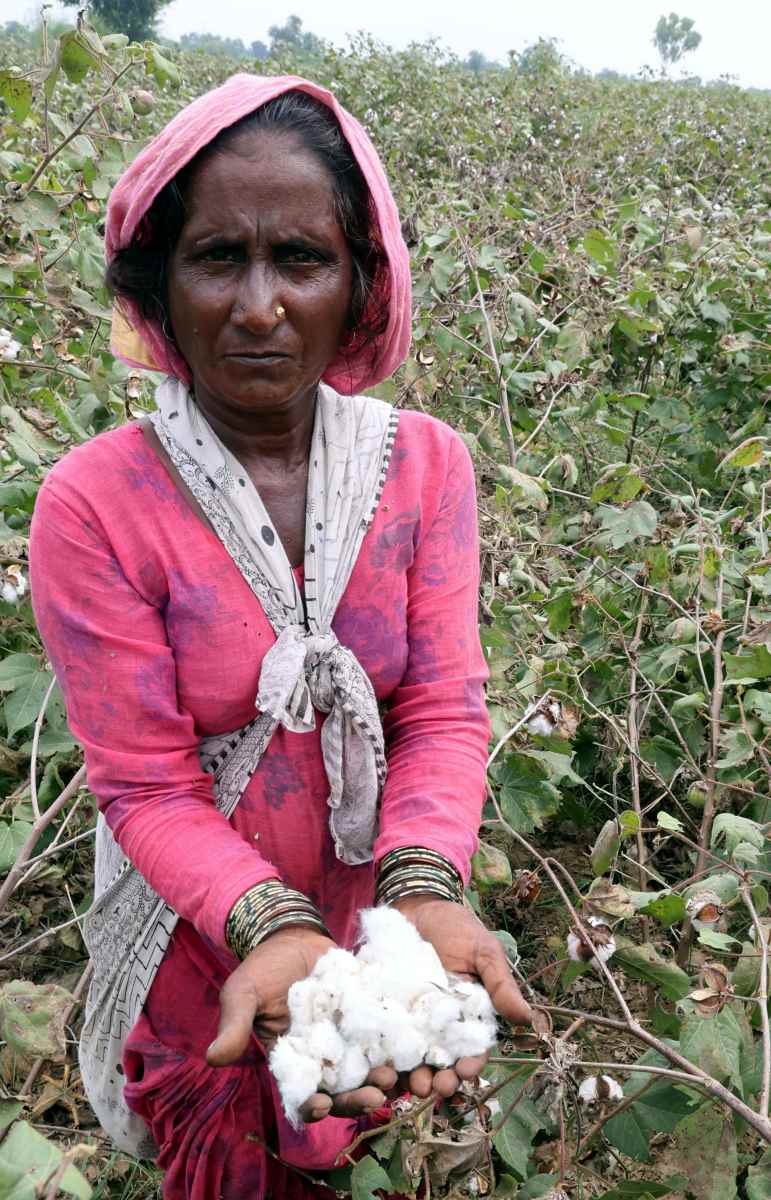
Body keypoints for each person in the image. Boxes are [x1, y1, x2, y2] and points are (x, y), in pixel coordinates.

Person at [29, 74, 531, 1199]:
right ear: (160, 286)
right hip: (198, 921)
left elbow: (444, 707)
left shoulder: (427, 469)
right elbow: (147, 787)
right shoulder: (95, 504)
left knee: (339, 1108)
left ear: (359, 284)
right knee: (225, 1140)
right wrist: (275, 926)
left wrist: (421, 893)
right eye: (219, 258)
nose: (260, 305)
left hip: (371, 900)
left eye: (300, 259)